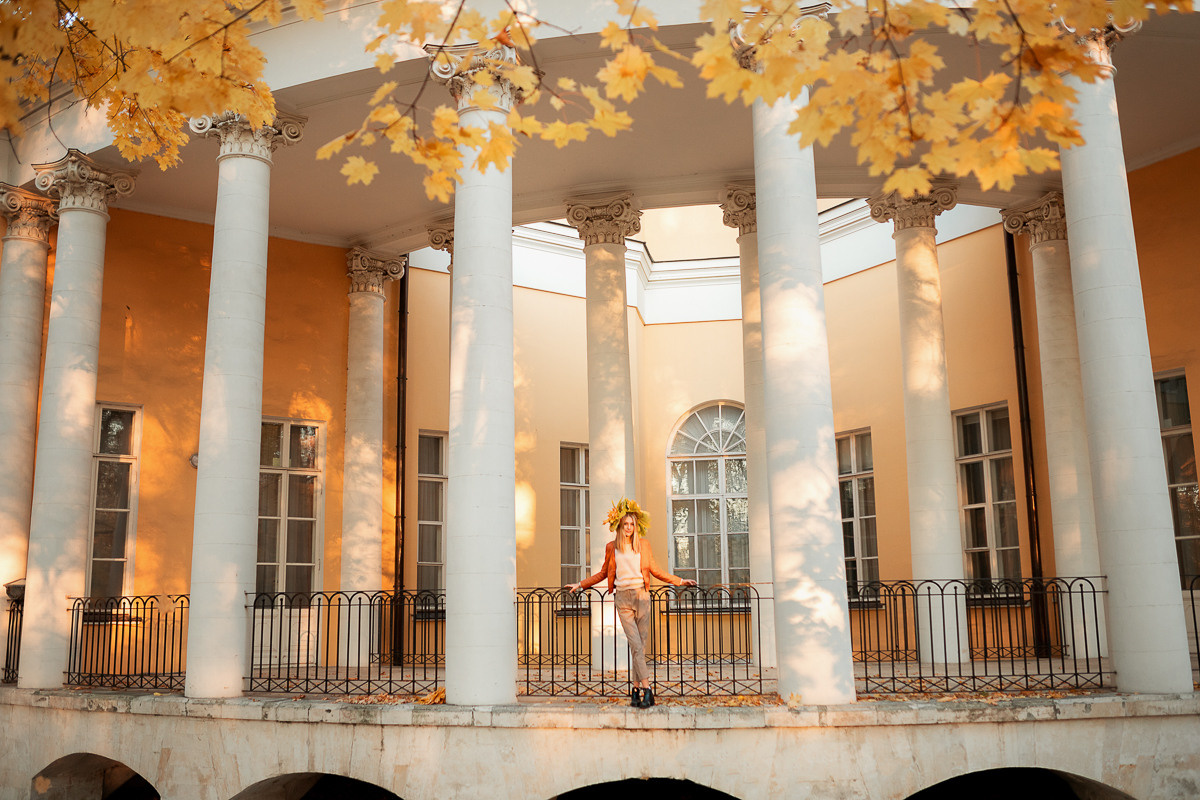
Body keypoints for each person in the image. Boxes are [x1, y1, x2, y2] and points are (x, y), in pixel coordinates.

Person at [565, 498, 697, 708]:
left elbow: (655, 570)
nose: (628, 528)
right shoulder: (612, 547)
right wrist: (580, 584)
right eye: (625, 524)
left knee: (640, 648)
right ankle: (648, 690)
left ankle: (635, 691)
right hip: (623, 599)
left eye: (632, 524)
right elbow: (602, 574)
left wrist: (680, 581)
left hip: (642, 597)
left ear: (636, 526)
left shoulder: (643, 545)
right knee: (635, 644)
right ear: (619, 525)